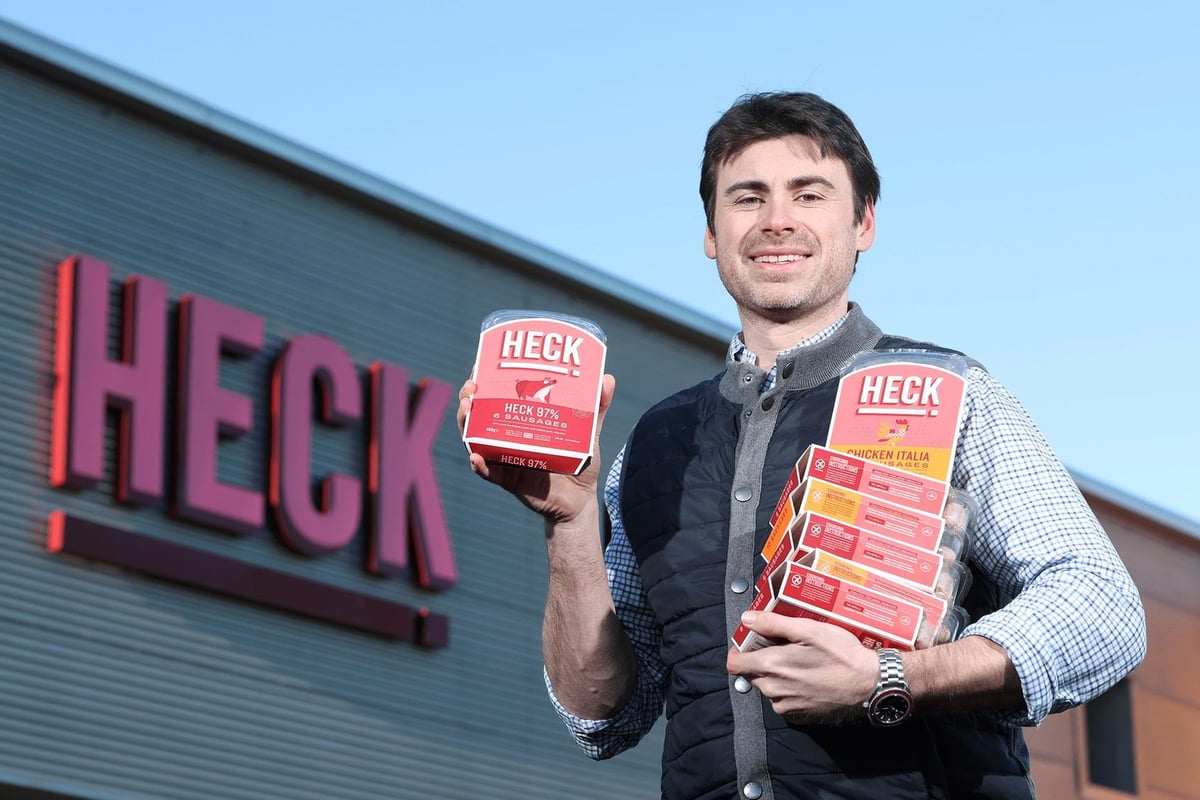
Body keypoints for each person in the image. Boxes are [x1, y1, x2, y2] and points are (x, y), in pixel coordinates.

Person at [457, 91, 1146, 800]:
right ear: (711, 233)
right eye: (747, 197)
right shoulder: (654, 444)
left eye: (809, 194)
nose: (776, 220)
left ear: (864, 222)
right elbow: (601, 717)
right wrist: (571, 522)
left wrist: (892, 679)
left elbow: (1102, 608)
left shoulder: (950, 393)